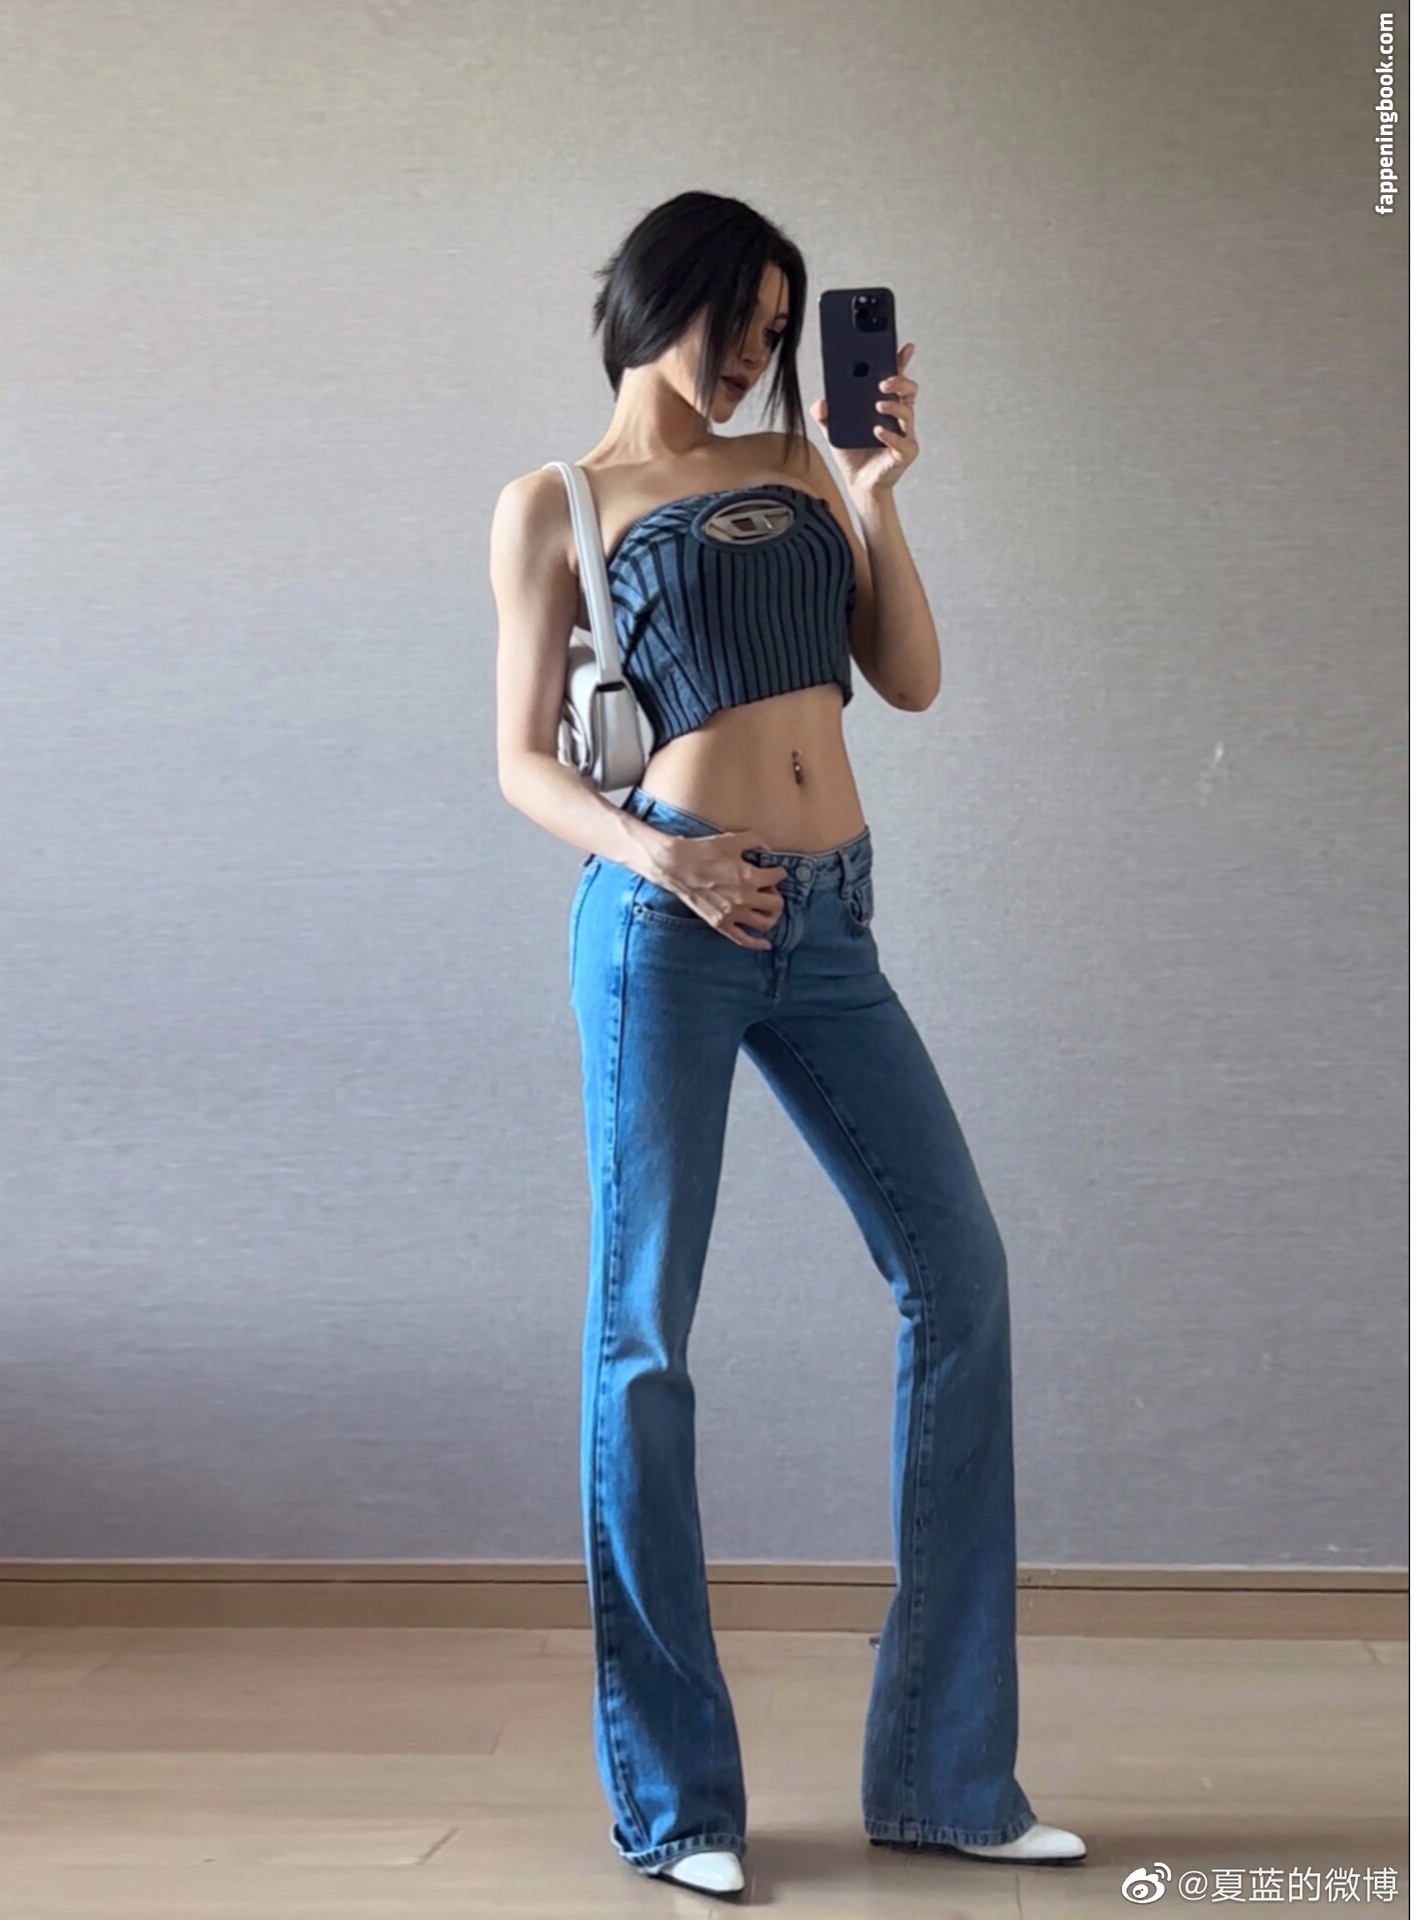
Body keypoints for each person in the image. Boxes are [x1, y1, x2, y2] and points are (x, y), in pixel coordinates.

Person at [489, 190, 1086, 1899]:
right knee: (644, 1339)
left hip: (831, 926)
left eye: (779, 327)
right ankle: (679, 1803)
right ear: (656, 300)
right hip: (668, 924)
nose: (759, 353)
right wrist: (657, 855)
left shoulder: (809, 468)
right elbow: (521, 762)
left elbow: (910, 680)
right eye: (739, 321)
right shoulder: (558, 504)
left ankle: (946, 1779)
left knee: (960, 1279)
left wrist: (879, 495)